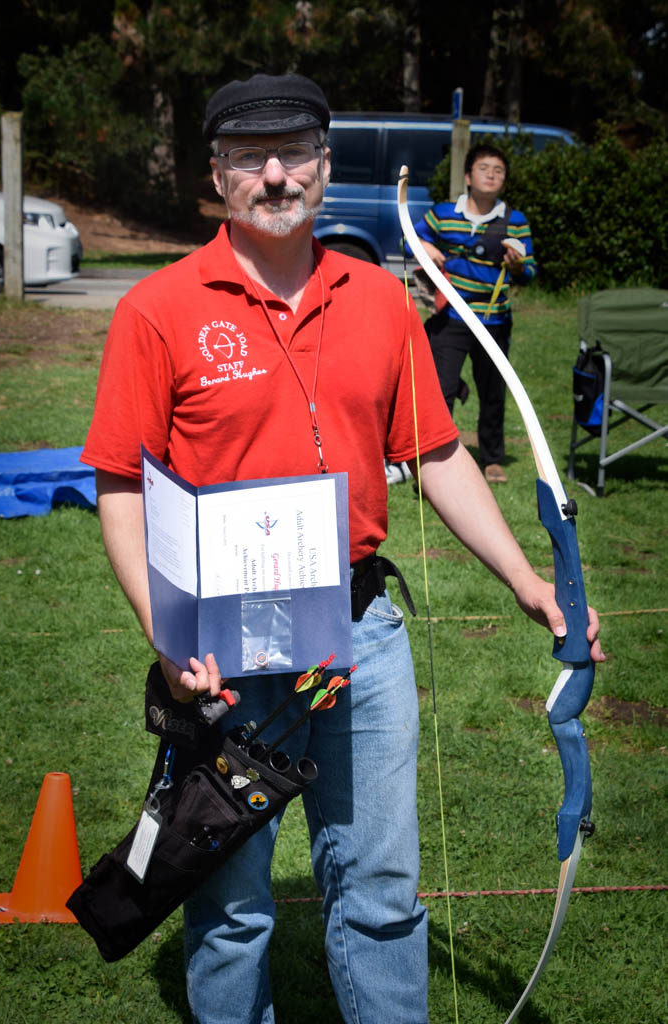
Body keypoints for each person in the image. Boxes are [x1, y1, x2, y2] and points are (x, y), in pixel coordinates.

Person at [81, 74, 602, 1024]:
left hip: (361, 632)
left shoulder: (380, 300)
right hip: (223, 646)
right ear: (217, 176)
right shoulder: (157, 307)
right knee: (230, 904)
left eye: (294, 154)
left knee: (381, 891)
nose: (275, 175)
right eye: (249, 157)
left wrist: (527, 579)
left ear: (323, 167)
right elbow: (120, 484)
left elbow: (435, 453)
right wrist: (166, 634)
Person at [408, 142, 536, 485]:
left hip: (494, 320)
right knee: (441, 390)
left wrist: (518, 266)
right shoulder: (443, 213)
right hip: (451, 316)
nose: (491, 175)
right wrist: (426, 246)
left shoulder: (515, 221)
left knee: (492, 391)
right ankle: (437, 461)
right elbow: (408, 239)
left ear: (504, 180)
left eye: (498, 170)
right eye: (483, 168)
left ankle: (492, 460)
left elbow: (529, 271)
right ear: (468, 176)